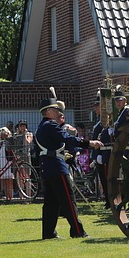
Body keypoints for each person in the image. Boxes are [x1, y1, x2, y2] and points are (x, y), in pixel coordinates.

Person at [35, 95, 103, 239]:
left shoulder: (42, 126)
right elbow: (68, 139)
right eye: (55, 109)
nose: (58, 112)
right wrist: (89, 143)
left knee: (51, 203)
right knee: (68, 200)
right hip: (57, 167)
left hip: (47, 167)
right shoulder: (51, 125)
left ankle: (48, 233)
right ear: (48, 111)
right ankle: (77, 231)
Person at [0, 126, 16, 201]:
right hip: (1, 161)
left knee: (9, 180)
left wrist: (6, 140)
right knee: (3, 180)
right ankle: (6, 196)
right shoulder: (0, 142)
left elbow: (10, 149)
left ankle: (10, 197)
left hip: (9, 161)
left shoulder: (10, 140)